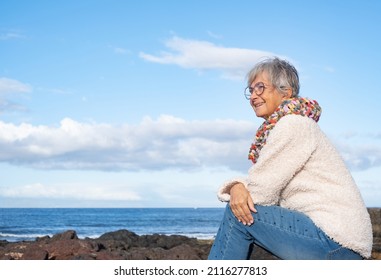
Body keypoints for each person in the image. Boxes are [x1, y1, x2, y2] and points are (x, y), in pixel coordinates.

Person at [208, 57, 373, 260]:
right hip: (338, 241)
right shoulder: (293, 124)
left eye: (260, 87)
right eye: (250, 90)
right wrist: (237, 188)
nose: (253, 96)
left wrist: (236, 187)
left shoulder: (293, 125)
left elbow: (261, 195)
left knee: (238, 215)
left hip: (336, 242)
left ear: (285, 92)